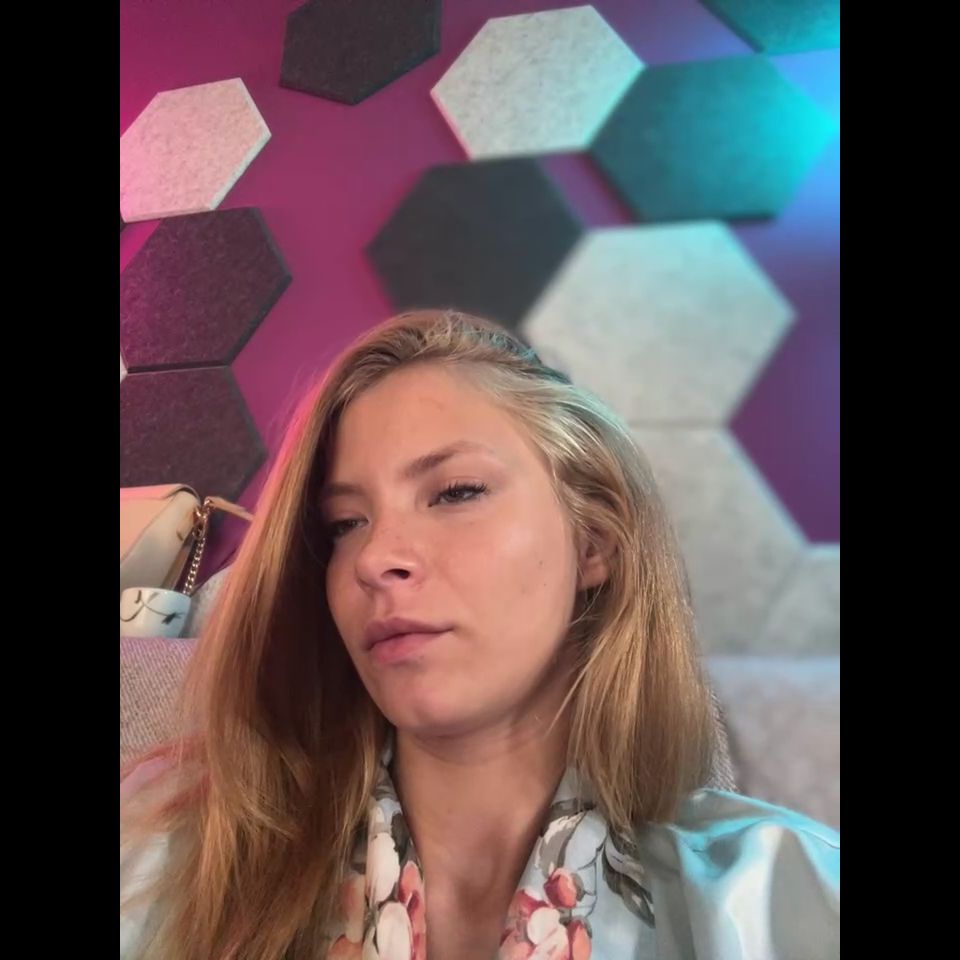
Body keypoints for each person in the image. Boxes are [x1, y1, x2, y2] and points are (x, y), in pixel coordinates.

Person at [121, 310, 839, 960]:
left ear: (592, 541)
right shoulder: (159, 854)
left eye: (456, 492)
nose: (374, 558)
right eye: (344, 525)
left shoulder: (781, 895)